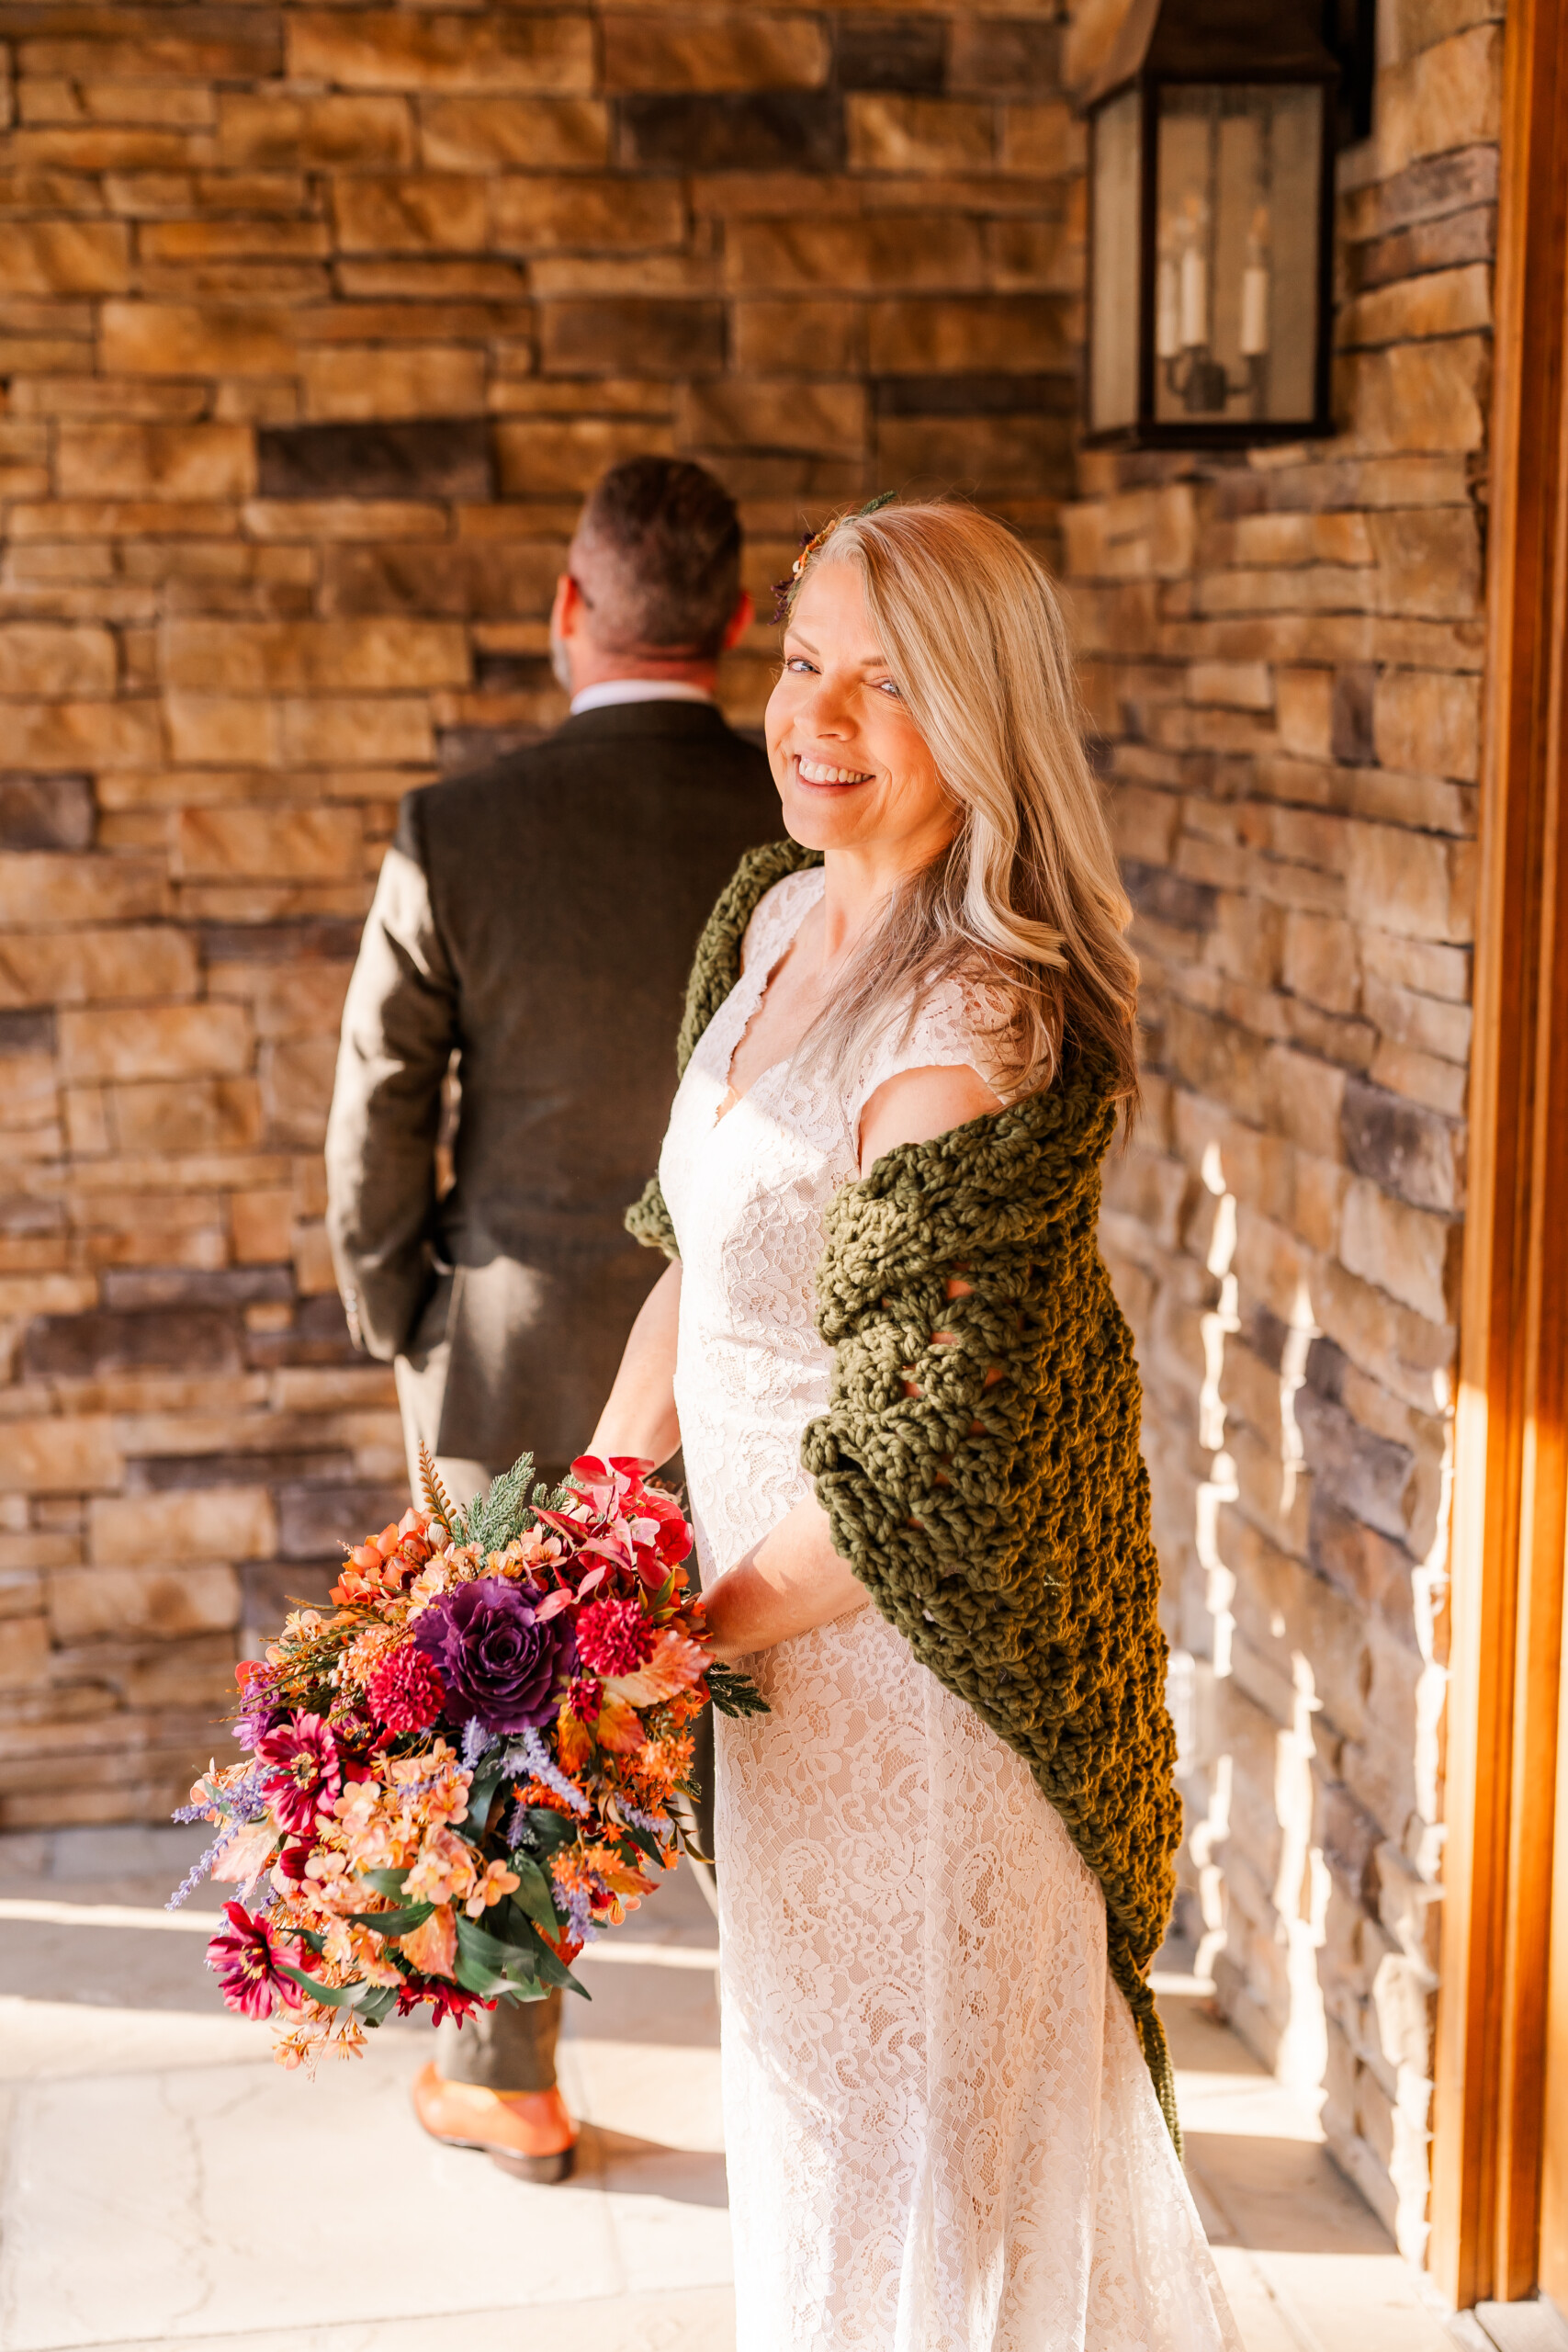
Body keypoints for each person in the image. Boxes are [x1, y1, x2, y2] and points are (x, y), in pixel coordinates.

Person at [588, 500, 1243, 2346]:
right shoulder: (773, 911)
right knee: (813, 2148)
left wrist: (685, 1633)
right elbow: (695, 1262)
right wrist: (586, 1517)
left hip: (913, 1683)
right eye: (803, 659)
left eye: (886, 683)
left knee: (923, 2199)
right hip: (773, 1664)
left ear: (979, 718)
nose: (818, 714)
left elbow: (920, 1468)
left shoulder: (973, 1015)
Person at [324, 455, 776, 2184]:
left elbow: (383, 1102)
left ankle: (510, 2077)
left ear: (570, 608)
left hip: (506, 1341)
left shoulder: (457, 828)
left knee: (503, 1696)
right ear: (738, 627)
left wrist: (399, 1317)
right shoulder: (806, 824)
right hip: (747, 1343)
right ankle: (815, 2052)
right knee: (759, 1675)